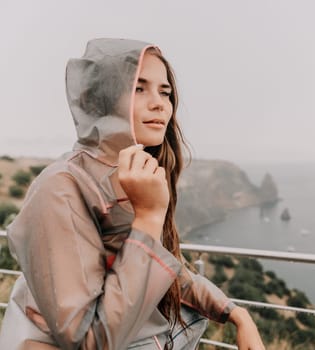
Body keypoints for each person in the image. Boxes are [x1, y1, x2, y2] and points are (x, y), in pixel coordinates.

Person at [0, 38, 265, 350]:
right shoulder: (61, 187)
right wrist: (150, 217)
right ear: (101, 100)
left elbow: (168, 274)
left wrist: (236, 313)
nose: (159, 104)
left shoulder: (132, 174)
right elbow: (91, 341)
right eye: (139, 88)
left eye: (165, 92)